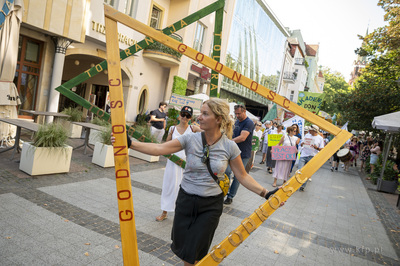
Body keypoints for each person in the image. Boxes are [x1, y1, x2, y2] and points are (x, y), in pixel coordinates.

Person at [113, 98, 282, 265]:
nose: (199, 117)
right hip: (186, 200)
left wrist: (266, 193)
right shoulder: (190, 139)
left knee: (193, 253)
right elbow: (160, 149)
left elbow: (243, 176)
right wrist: (130, 143)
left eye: (204, 114)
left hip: (210, 207)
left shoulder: (230, 146)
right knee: (182, 247)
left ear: (219, 119)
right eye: (200, 113)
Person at [156, 106, 201, 222]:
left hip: (187, 163)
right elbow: (167, 144)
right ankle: (164, 212)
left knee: (185, 188)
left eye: (188, 115)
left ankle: (182, 213)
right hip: (172, 162)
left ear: (190, 118)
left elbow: (208, 134)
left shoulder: (193, 128)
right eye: (183, 114)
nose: (184, 117)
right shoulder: (172, 128)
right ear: (179, 115)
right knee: (168, 186)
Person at [223, 104, 254, 205]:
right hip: (232, 151)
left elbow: (242, 137)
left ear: (244, 111)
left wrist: (229, 142)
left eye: (239, 113)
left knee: (238, 176)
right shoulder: (236, 122)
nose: (237, 115)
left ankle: (230, 196)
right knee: (226, 171)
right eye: (236, 113)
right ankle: (225, 192)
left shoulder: (248, 123)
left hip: (243, 154)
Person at [298, 124, 324, 191]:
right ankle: (297, 184)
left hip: (312, 156)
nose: (309, 131)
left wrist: (317, 148)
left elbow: (322, 149)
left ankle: (303, 185)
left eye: (310, 130)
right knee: (299, 171)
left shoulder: (320, 138)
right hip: (304, 154)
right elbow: (301, 143)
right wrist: (302, 143)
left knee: (307, 172)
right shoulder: (307, 135)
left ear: (314, 131)